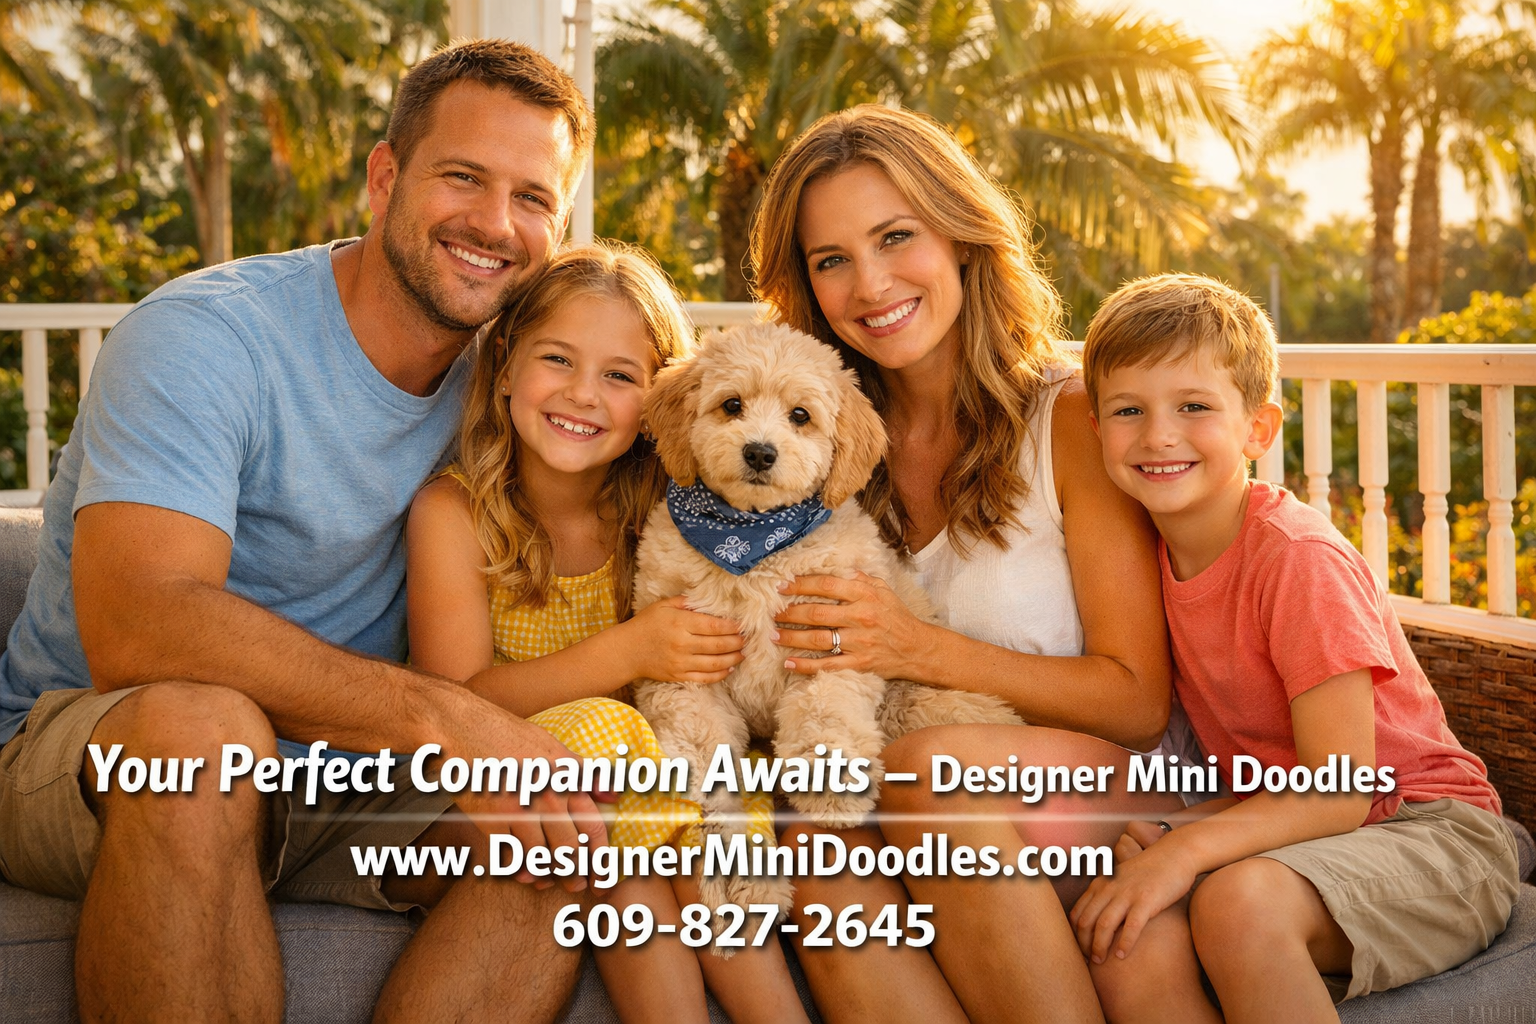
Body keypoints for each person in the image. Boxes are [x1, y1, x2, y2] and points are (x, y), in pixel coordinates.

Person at [0, 40, 608, 1023]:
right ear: (384, 176)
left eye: (533, 197)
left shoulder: (524, 381)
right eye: (463, 177)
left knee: (568, 818)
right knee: (203, 737)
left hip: (346, 772)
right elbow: (138, 625)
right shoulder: (210, 337)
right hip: (94, 742)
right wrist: (452, 721)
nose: (496, 224)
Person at [749, 104, 1180, 1023]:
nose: (870, 284)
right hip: (931, 827)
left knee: (925, 767)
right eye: (832, 261)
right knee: (822, 887)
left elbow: (1139, 700)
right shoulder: (818, 441)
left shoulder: (1066, 419)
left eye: (895, 237)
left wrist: (914, 649)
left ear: (960, 236)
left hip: (1094, 791)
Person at [1070, 273, 1519, 1021]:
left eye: (1194, 407)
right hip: (1311, 841)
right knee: (1126, 903)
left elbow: (1341, 786)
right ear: (1096, 431)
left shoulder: (1295, 557)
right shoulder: (1139, 557)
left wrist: (1186, 850)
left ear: (1258, 428)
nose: (1158, 435)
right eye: (1128, 410)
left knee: (1236, 903)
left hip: (1432, 833)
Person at [405, 241, 809, 1024]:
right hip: (495, 785)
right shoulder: (454, 515)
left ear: (664, 406)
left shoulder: (668, 510)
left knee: (695, 799)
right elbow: (454, 704)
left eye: (620, 376)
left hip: (636, 790)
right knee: (622, 769)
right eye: (557, 358)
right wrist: (626, 652)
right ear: (506, 367)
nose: (583, 394)